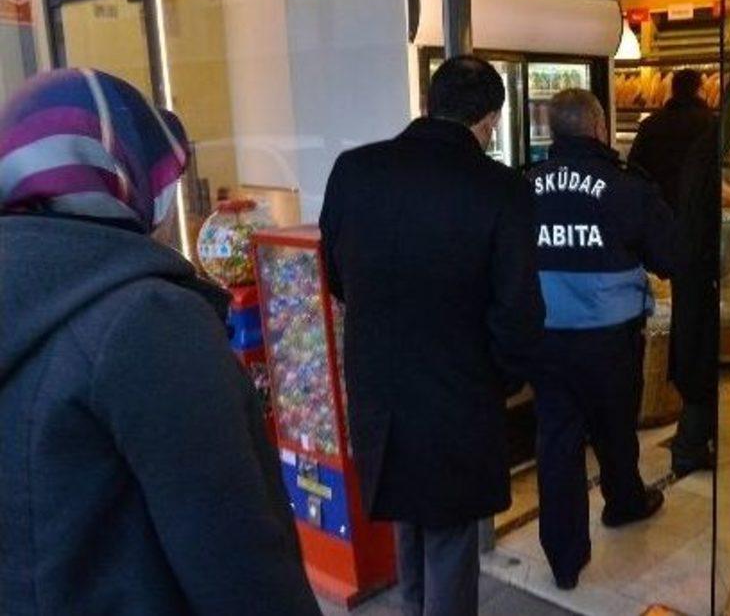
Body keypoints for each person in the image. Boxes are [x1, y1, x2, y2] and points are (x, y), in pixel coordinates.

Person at [0, 69, 320, 616]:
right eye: (163, 176)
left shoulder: (30, 298)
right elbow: (238, 562)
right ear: (115, 173)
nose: (168, 201)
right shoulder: (148, 321)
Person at [319, 56, 544, 616]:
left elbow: (336, 275)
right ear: (490, 120)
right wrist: (504, 378)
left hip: (379, 387)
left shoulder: (354, 170)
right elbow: (518, 311)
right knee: (449, 536)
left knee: (407, 517)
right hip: (460, 393)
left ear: (427, 103)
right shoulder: (502, 189)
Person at [526, 89, 675, 590]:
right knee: (614, 425)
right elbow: (668, 256)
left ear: (553, 132)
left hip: (546, 335)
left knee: (556, 440)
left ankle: (564, 558)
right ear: (600, 129)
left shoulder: (524, 185)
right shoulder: (627, 186)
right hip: (610, 336)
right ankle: (623, 502)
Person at [668, 126, 725, 476]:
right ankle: (689, 447)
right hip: (702, 272)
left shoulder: (702, 146)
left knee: (698, 357)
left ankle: (693, 444)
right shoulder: (712, 148)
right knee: (702, 360)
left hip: (691, 269)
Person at [627, 68, 714, 213]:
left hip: (658, 208)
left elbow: (634, 166)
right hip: (698, 210)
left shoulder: (650, 124)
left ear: (673, 90)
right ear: (699, 90)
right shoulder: (710, 124)